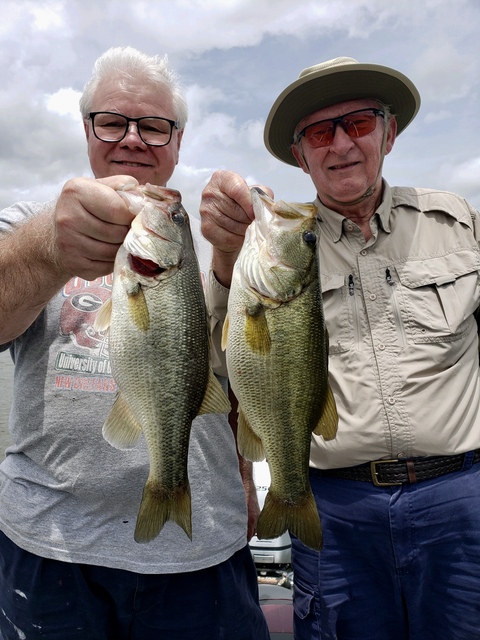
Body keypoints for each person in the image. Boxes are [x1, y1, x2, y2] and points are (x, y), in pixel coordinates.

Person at [199, 56, 480, 640]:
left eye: (359, 123)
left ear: (389, 132)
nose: (342, 144)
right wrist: (226, 258)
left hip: (460, 499)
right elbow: (218, 363)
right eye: (321, 133)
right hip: (334, 506)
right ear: (301, 156)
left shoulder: (459, 225)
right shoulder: (272, 242)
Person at [0, 46, 270, 640]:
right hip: (52, 546)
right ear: (87, 129)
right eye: (113, 121)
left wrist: (246, 476)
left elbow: (238, 378)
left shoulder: (216, 258)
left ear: (177, 142)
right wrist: (48, 245)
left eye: (153, 126)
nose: (132, 139)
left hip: (201, 546)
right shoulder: (27, 226)